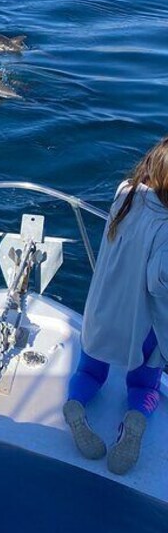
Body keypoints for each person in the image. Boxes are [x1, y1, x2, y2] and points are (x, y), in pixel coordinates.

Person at [64, 135, 168, 475]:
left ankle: (76, 405)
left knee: (89, 371)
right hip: (143, 325)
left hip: (101, 308)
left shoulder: (125, 192)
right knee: (142, 383)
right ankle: (136, 419)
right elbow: (159, 286)